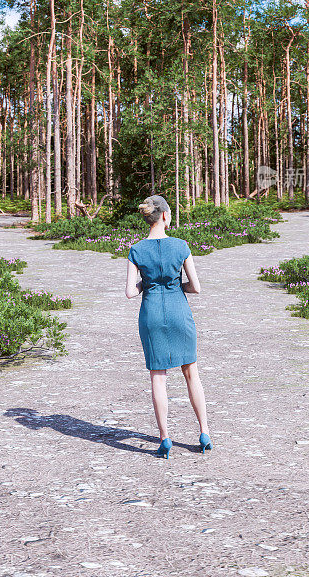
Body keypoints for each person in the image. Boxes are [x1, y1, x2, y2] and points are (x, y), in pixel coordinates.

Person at [125, 194, 212, 459]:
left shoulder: (136, 250)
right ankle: (204, 431)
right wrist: (176, 285)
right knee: (190, 372)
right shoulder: (181, 245)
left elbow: (130, 292)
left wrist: (146, 285)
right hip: (179, 311)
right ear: (164, 215)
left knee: (158, 377)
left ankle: (164, 437)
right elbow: (195, 287)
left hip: (151, 314)